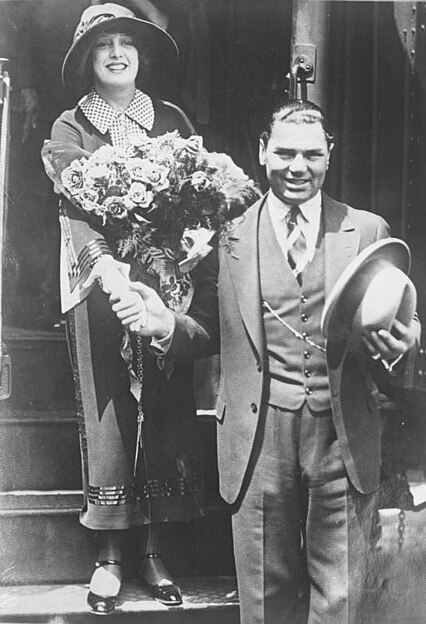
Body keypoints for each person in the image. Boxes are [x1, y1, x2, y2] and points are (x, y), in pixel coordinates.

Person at [112, 96, 420, 624]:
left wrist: (411, 340)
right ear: (262, 153)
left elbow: (401, 318)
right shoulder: (228, 236)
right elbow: (206, 327)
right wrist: (166, 324)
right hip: (258, 437)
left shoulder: (366, 230)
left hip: (341, 433)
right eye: (284, 153)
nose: (298, 167)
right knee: (263, 594)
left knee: (342, 593)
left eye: (311, 154)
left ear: (329, 155)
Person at [42, 3, 205, 615]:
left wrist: (189, 248)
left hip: (164, 286)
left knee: (165, 408)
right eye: (103, 44)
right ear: (87, 58)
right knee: (109, 410)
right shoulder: (71, 125)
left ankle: (154, 552)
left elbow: (199, 195)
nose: (116, 53)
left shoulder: (171, 120)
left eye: (126, 44)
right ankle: (110, 556)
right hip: (101, 284)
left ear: (141, 56)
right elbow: (74, 207)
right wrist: (109, 270)